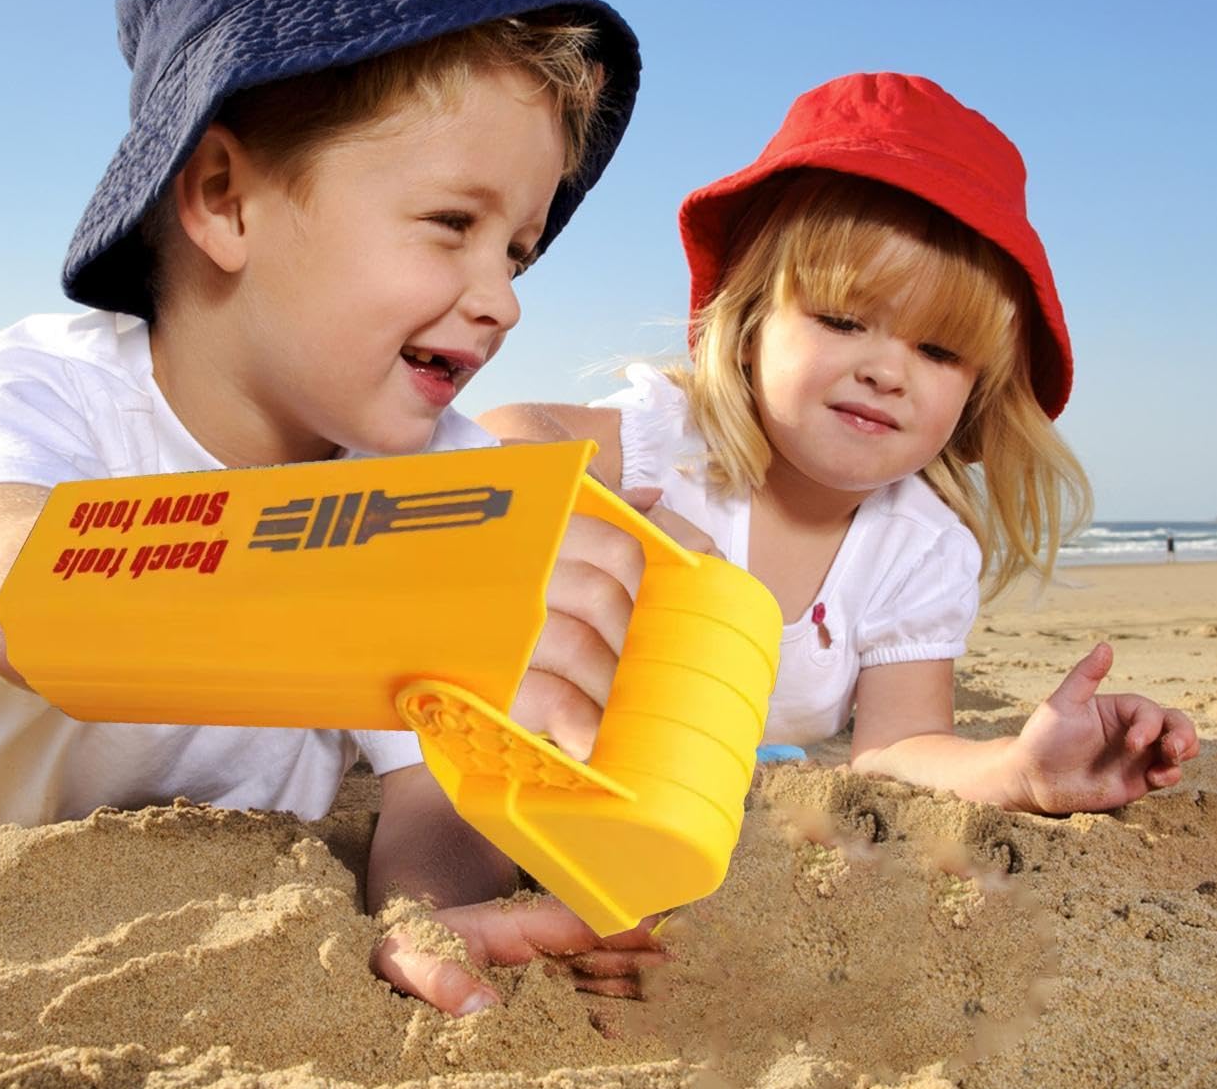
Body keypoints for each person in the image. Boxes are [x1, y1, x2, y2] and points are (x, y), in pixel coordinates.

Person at [0, 0, 661, 1015]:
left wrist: (426, 910)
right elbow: (17, 597)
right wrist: (375, 583)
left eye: (517, 250)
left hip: (191, 774)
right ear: (224, 198)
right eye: (450, 224)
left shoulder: (448, 476)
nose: (503, 297)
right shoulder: (37, 386)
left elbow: (438, 786)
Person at [480, 73, 1199, 813]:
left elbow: (895, 747)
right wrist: (577, 509)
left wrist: (1017, 770)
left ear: (976, 390)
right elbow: (504, 429)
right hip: (534, 739)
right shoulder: (672, 437)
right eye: (842, 321)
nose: (885, 370)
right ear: (752, 323)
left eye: (938, 351)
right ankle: (432, 919)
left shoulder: (918, 547)